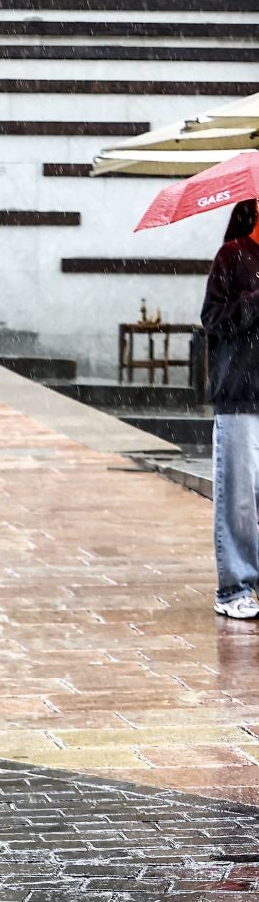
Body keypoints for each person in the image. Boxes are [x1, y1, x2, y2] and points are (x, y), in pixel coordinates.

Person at [203, 199, 259, 620]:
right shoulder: (232, 256)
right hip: (240, 393)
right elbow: (214, 320)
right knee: (239, 496)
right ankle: (234, 588)